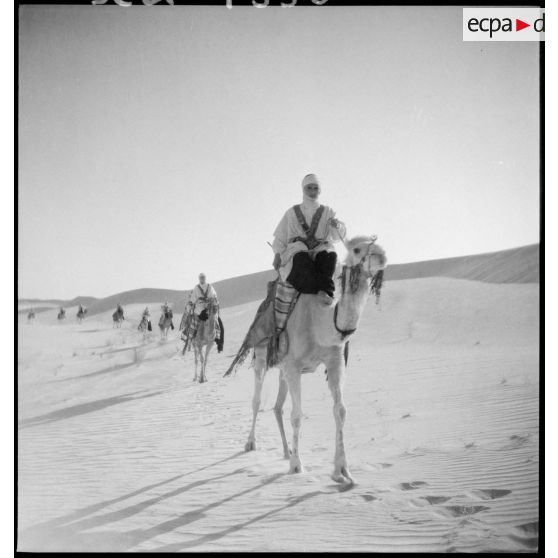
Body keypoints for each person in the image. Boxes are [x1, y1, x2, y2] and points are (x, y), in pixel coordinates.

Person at [272, 173, 345, 303]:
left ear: (320, 190)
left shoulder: (328, 211)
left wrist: (336, 226)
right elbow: (280, 237)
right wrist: (277, 254)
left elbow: (337, 235)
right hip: (297, 250)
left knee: (329, 257)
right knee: (302, 260)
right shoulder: (291, 212)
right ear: (303, 189)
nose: (312, 191)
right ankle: (320, 288)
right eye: (309, 188)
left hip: (321, 249)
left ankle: (326, 292)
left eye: (315, 188)